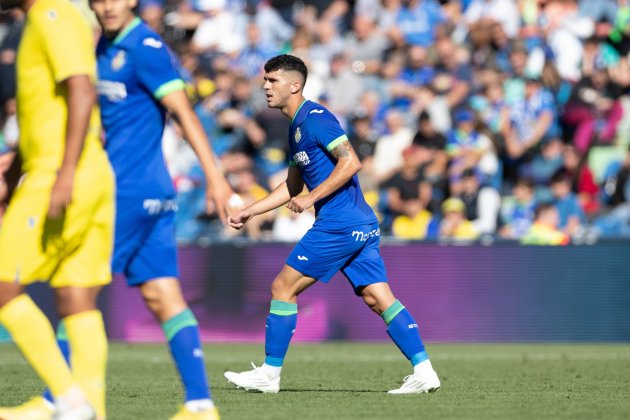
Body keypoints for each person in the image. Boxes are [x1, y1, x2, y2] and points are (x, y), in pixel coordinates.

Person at [31, 0, 233, 418]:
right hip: (151, 192)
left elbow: (184, 114)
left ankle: (58, 403)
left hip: (126, 192)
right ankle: (200, 405)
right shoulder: (104, 46)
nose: (106, 6)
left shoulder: (144, 46)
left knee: (76, 289)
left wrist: (215, 177)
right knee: (164, 296)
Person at [224, 54, 440, 394]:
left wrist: (311, 199)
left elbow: (351, 161)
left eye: (273, 81)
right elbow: (293, 185)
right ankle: (425, 371)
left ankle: (269, 373)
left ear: (294, 85)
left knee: (283, 288)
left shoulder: (316, 119)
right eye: (265, 80)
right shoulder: (296, 127)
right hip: (360, 224)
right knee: (378, 298)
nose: (265, 86)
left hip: (339, 224)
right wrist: (252, 210)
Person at [0, 0, 115, 417]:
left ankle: (68, 399)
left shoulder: (51, 13)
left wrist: (64, 171)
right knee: (76, 298)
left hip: (62, 175)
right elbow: (47, 111)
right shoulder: (41, 18)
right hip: (74, 172)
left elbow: (82, 88)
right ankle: (92, 411)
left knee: (2, 285)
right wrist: (13, 174)